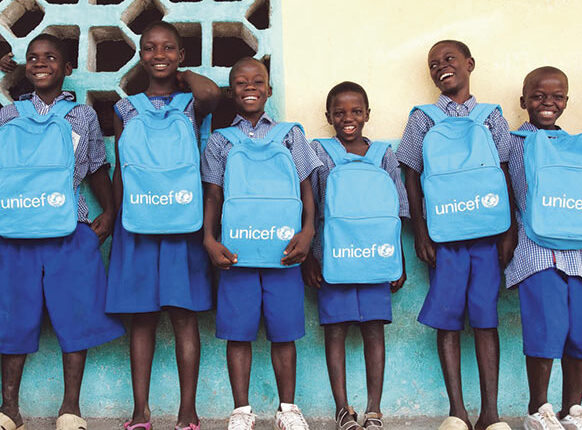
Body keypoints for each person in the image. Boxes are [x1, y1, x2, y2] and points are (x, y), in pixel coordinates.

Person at [0, 33, 125, 430]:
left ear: (68, 68)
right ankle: (9, 410)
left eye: (51, 57)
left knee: (76, 316)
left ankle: (70, 409)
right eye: (33, 57)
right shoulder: (10, 113)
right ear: (25, 66)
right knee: (12, 314)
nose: (40, 63)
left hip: (69, 227)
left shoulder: (83, 116)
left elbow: (96, 167)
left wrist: (110, 212)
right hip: (16, 228)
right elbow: (9, 175)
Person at [105, 21, 220, 430]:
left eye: (168, 48)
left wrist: (180, 74)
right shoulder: (125, 108)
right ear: (140, 55)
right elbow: (122, 168)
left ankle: (188, 411)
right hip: (136, 221)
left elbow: (212, 93)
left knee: (184, 316)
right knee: (142, 318)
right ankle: (141, 411)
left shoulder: (191, 104)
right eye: (150, 48)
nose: (159, 55)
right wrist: (115, 216)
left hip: (183, 221)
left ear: (181, 55)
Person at [396, 40, 515, 430]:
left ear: (469, 64)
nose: (441, 67)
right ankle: (457, 412)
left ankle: (490, 414)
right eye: (434, 64)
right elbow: (411, 175)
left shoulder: (491, 116)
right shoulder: (423, 118)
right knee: (447, 318)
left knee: (485, 319)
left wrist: (509, 229)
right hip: (445, 234)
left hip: (488, 232)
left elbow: (504, 172)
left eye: (449, 59)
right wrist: (421, 231)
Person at [201, 57, 321, 430]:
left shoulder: (290, 135)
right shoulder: (221, 139)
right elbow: (213, 194)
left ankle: (288, 410)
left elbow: (306, 187)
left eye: (257, 81)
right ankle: (241, 411)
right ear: (231, 91)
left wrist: (308, 231)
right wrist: (208, 238)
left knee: (284, 333)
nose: (250, 87)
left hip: (284, 251)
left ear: (269, 89)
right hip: (237, 252)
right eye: (241, 82)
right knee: (238, 334)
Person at [508, 66, 582, 430]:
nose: (547, 103)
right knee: (546, 326)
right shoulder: (512, 142)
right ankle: (538, 409)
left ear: (567, 101)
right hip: (539, 249)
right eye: (538, 96)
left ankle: (573, 410)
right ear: (524, 100)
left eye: (557, 97)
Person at [302, 81, 409, 430]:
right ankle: (342, 409)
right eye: (339, 112)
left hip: (377, 256)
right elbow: (310, 207)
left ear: (367, 114)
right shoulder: (318, 152)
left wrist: (398, 260)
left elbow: (397, 209)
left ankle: (374, 409)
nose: (348, 118)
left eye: (356, 111)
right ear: (328, 116)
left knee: (374, 329)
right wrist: (311, 257)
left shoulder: (384, 154)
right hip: (333, 256)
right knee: (335, 330)